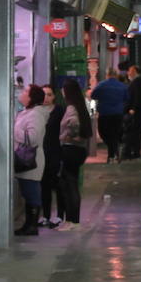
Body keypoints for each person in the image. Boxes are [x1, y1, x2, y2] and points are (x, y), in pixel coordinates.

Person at [56, 78, 93, 231]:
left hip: (71, 149)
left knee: (69, 185)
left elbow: (74, 125)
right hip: (78, 151)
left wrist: (67, 136)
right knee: (71, 184)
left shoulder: (71, 108)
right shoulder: (80, 106)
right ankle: (72, 220)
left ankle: (72, 220)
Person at [13, 85, 49, 236]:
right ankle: (28, 224)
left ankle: (32, 225)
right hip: (23, 159)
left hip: (30, 160)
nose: (22, 93)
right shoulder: (26, 112)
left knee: (31, 191)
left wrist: (12, 129)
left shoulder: (36, 115)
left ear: (32, 97)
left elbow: (32, 138)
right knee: (27, 192)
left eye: (26, 91)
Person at [40, 84, 66, 228]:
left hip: (55, 151)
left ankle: (60, 215)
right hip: (41, 152)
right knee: (44, 185)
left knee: (57, 184)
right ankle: (45, 215)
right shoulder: (37, 111)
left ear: (54, 96)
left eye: (49, 94)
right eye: (44, 94)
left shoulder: (59, 111)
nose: (46, 98)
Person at [92, 68, 128, 163]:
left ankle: (112, 153)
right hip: (118, 113)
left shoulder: (102, 85)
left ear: (107, 75)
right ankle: (114, 152)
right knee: (115, 133)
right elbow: (126, 98)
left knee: (104, 133)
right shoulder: (122, 86)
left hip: (105, 113)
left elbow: (93, 95)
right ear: (116, 75)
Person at [123, 63, 141, 160]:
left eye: (130, 71)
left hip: (135, 112)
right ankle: (135, 151)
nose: (128, 73)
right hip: (140, 111)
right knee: (137, 132)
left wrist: (133, 109)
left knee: (132, 132)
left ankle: (130, 152)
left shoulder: (137, 82)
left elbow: (138, 97)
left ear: (134, 72)